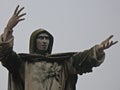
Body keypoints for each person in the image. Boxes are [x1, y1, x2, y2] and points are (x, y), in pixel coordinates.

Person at [0, 5, 118, 90]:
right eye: (41, 38)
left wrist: (98, 50)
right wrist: (8, 29)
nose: (44, 41)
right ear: (34, 41)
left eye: (47, 39)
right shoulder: (24, 64)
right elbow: (6, 56)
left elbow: (80, 60)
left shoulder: (61, 64)